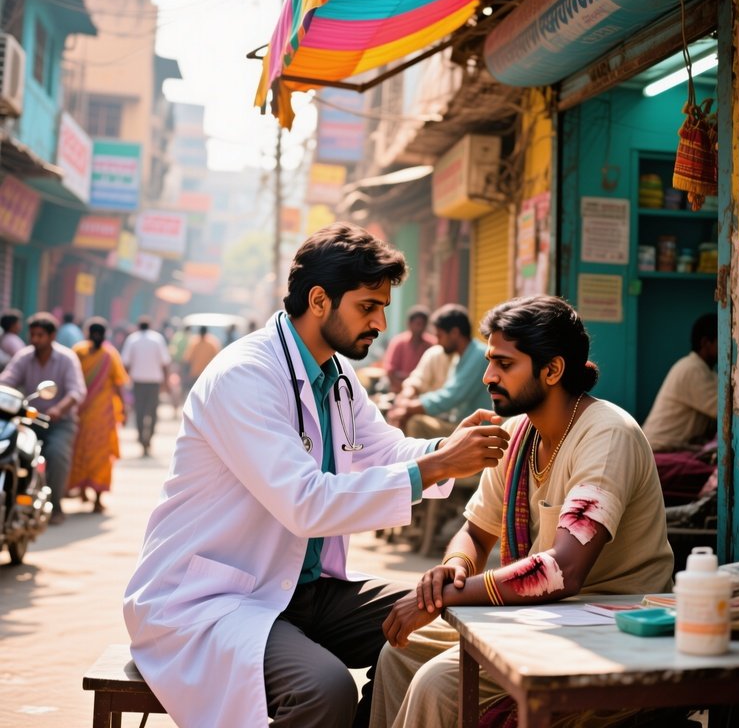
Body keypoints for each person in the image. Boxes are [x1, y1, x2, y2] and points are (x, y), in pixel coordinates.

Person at [123, 223, 510, 728]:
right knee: (324, 689)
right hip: (214, 596)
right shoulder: (245, 375)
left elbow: (385, 450)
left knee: (437, 618)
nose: (379, 323)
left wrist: (451, 448)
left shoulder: (337, 374)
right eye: (367, 307)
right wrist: (438, 465)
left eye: (383, 308)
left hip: (300, 589)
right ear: (321, 300)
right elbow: (305, 502)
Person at [370, 295, 674, 728]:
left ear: (552, 370)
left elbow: (562, 571)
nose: (488, 375)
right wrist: (453, 569)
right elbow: (475, 533)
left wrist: (447, 597)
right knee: (399, 651)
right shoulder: (515, 433)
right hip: (541, 614)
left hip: (610, 622)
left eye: (504, 364)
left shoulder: (607, 436)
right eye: (490, 359)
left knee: (438, 683)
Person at [0, 312, 86, 525]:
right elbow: (7, 381)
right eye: (33, 335)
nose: (36, 339)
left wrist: (59, 408)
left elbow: (76, 391)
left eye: (41, 335)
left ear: (52, 336)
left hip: (59, 422)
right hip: (27, 419)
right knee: (9, 450)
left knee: (56, 454)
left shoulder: (66, 358)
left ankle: (55, 506)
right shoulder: (24, 356)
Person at [387, 304, 492, 438]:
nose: (438, 342)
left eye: (440, 336)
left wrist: (409, 408)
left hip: (478, 430)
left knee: (416, 423)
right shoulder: (459, 356)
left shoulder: (478, 355)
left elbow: (452, 396)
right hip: (459, 423)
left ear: (454, 333)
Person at [67, 318, 129, 514]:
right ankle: (97, 499)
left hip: (81, 412)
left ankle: (83, 489)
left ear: (86, 333)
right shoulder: (110, 355)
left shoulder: (78, 351)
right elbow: (119, 383)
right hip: (102, 415)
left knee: (81, 450)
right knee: (101, 456)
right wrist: (125, 408)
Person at [642, 313, 718, 453]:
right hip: (660, 452)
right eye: (721, 340)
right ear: (705, 343)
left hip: (668, 449)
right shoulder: (692, 370)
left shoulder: (703, 370)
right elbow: (724, 411)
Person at [120, 315, 170, 456]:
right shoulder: (157, 339)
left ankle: (142, 437)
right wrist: (166, 382)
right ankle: (149, 437)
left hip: (138, 382)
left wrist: (125, 381)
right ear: (150, 326)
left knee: (140, 412)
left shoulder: (132, 339)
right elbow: (165, 362)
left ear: (138, 326)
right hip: (154, 382)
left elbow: (126, 363)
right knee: (152, 412)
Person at [381, 306, 436, 393]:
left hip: (423, 392)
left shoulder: (432, 344)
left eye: (423, 324)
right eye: (418, 324)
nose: (420, 328)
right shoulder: (398, 342)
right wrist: (404, 390)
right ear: (409, 324)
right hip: (398, 391)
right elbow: (390, 370)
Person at [183, 325, 221, 390]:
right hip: (206, 373)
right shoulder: (212, 343)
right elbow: (217, 359)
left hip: (197, 373)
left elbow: (187, 359)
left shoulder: (194, 342)